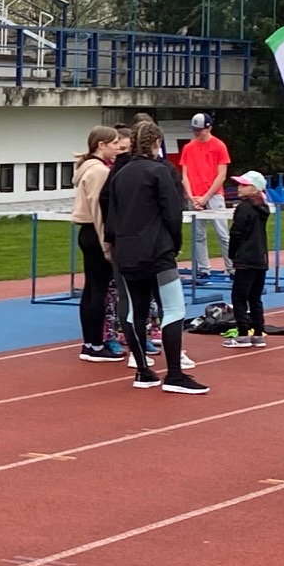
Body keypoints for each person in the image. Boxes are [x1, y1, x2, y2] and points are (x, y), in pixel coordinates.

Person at [100, 119, 208, 395]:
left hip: (126, 250)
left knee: (135, 310)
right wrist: (174, 244)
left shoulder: (120, 174)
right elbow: (173, 213)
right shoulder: (160, 171)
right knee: (173, 309)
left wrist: (113, 243)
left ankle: (143, 371)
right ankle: (174, 374)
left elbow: (109, 213)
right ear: (157, 143)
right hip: (157, 251)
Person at [71, 127, 124, 361]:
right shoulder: (99, 171)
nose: (117, 147)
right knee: (98, 290)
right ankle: (94, 344)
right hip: (95, 232)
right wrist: (106, 245)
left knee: (92, 289)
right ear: (101, 145)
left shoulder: (88, 168)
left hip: (87, 232)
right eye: (114, 143)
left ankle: (90, 343)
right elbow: (98, 210)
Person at [178, 112, 232, 284]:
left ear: (208, 128)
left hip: (214, 194)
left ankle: (231, 268)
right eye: (194, 130)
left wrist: (206, 196)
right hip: (195, 195)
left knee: (223, 234)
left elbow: (221, 175)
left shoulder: (219, 145)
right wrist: (191, 195)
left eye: (199, 130)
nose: (196, 133)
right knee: (198, 235)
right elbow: (184, 174)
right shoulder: (188, 148)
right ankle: (203, 269)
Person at [225, 170, 272, 347]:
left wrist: (232, 254)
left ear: (254, 188)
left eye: (244, 185)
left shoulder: (243, 208)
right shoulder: (263, 207)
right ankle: (258, 333)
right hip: (260, 258)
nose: (239, 187)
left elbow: (236, 233)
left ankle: (243, 334)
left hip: (245, 257)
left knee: (239, 297)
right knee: (255, 297)